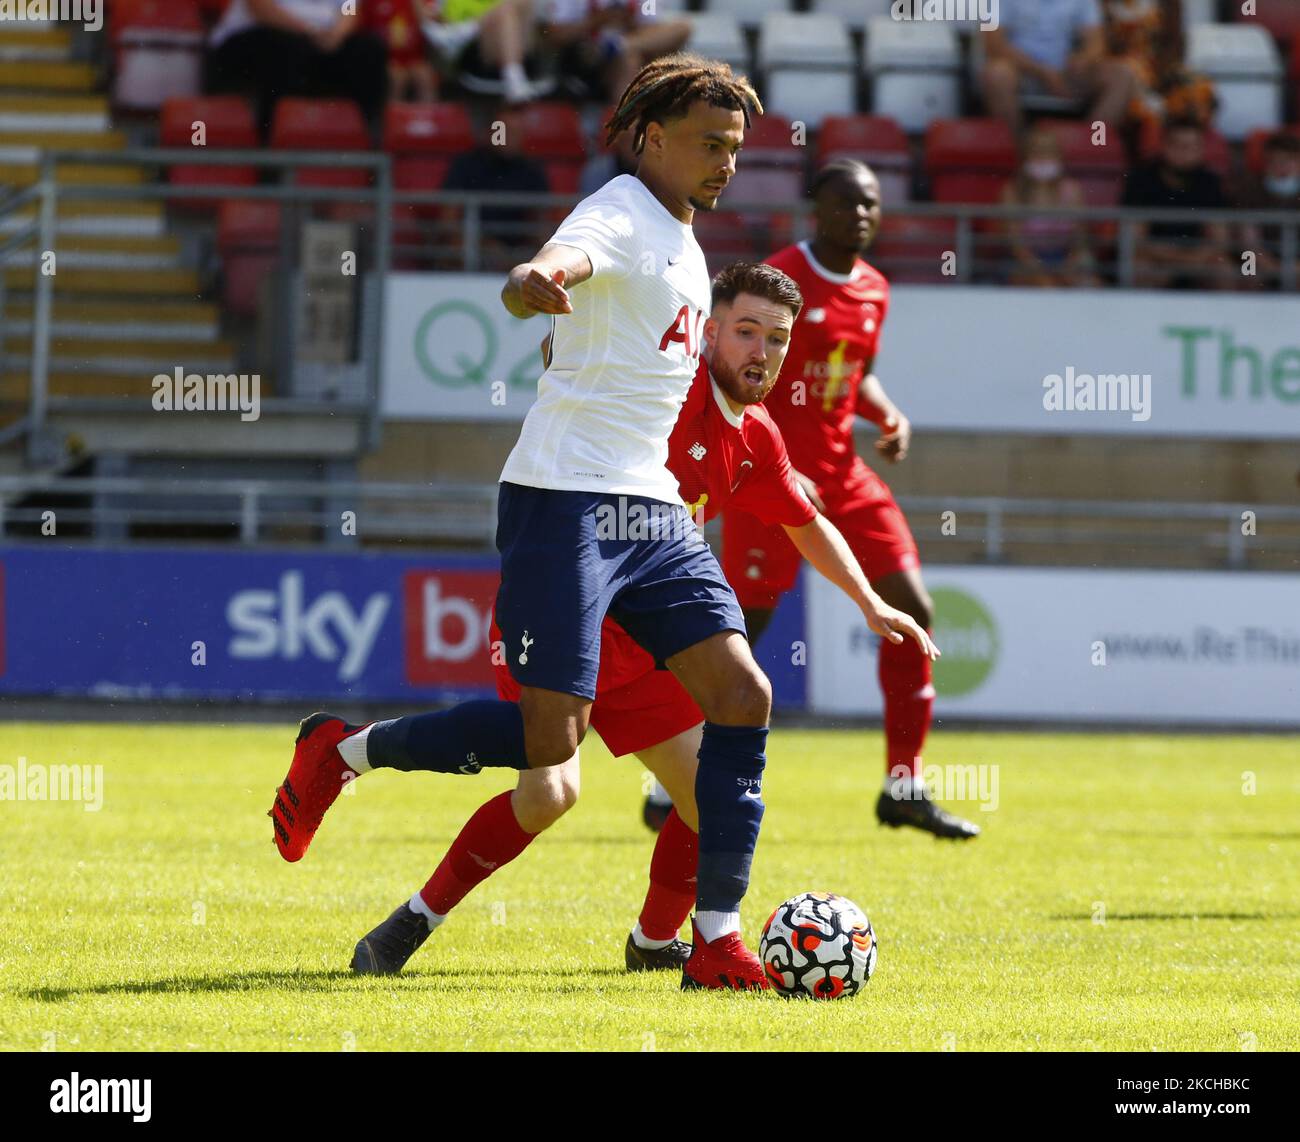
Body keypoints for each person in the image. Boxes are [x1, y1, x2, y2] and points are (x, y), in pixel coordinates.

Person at [271, 54, 790, 992]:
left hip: (653, 512)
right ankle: (342, 749)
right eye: (710, 145)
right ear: (653, 138)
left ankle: (714, 941)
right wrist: (533, 280)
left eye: (737, 150)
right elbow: (562, 260)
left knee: (744, 694)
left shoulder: (687, 243)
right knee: (551, 749)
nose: (726, 163)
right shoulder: (620, 210)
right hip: (565, 504)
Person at [343, 262, 936, 977]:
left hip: (649, 644)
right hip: (568, 608)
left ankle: (657, 942)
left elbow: (805, 523)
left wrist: (871, 602)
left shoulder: (757, 438)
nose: (762, 351)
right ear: (709, 331)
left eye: (777, 340)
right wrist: (551, 307)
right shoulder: (664, 386)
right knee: (549, 791)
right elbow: (570, 355)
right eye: (746, 332)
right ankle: (405, 912)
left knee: (704, 791)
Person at [718, 158, 981, 841]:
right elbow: (743, 377)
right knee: (738, 638)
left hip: (844, 477)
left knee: (914, 611)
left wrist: (887, 412)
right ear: (817, 210)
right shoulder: (780, 279)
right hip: (769, 477)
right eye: (846, 203)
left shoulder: (875, 289)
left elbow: (852, 376)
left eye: (870, 204)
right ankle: (674, 777)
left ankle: (905, 785)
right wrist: (774, 461)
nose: (860, 215)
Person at [207, 0, 389, 137]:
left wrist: (337, 35)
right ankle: (272, 143)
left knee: (368, 50)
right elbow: (259, 7)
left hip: (317, 41)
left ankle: (365, 140)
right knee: (285, 50)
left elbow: (350, 8)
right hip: (256, 36)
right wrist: (307, 31)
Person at [981, 0, 1139, 133]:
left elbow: (1097, 41)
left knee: (1122, 76)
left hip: (1067, 74)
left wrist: (1083, 58)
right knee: (996, 75)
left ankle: (1090, 149)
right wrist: (1044, 73)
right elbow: (993, 44)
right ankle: (1020, 157)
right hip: (1020, 71)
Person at [1121, 116, 1231, 290]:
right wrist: (1179, 259)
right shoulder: (1140, 179)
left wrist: (1194, 260)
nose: (1184, 152)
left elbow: (1219, 239)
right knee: (1139, 268)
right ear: (1164, 146)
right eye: (1178, 145)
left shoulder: (1211, 182)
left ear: (1202, 149)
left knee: (1224, 271)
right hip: (1154, 259)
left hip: (1199, 260)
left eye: (1192, 146)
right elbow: (1136, 240)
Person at [441, 104, 551, 273]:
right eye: (503, 131)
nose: (509, 138)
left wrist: (520, 257)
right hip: (472, 250)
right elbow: (447, 221)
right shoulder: (465, 165)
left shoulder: (533, 170)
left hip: (519, 255)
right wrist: (483, 245)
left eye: (515, 133)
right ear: (489, 132)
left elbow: (541, 224)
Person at [1001, 125, 1099, 287]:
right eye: (1036, 151)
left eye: (1048, 151)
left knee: (1089, 284)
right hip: (1024, 262)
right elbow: (1016, 245)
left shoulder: (1073, 190)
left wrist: (1069, 265)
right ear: (1025, 157)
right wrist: (1042, 270)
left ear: (1059, 156)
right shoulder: (1012, 192)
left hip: (1064, 259)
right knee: (1046, 285)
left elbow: (1080, 239)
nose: (1042, 157)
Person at [540, 0, 691, 103]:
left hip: (629, 55)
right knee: (630, 58)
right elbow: (554, 35)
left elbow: (653, 31)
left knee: (682, 28)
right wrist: (597, 21)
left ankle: (617, 46)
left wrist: (628, 22)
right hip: (586, 61)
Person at [1239, 132, 1300, 290]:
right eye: (1276, 161)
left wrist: (1294, 267)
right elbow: (1249, 241)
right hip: (1258, 257)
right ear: (1266, 162)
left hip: (1297, 259)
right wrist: (1270, 265)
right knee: (1248, 269)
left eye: (1289, 161)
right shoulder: (1251, 189)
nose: (1282, 167)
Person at [362, 0, 440, 103]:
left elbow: (433, 24)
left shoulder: (418, 2)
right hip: (386, 58)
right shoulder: (372, 3)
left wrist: (419, 7)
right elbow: (364, 30)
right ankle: (393, 117)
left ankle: (427, 118)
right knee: (397, 78)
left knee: (425, 77)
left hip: (415, 57)